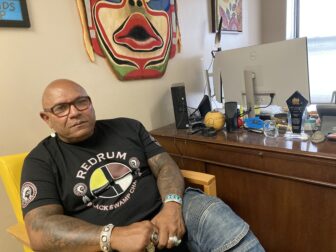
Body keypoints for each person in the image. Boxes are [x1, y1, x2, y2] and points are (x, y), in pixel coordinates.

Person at [20, 79, 264, 252]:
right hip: (107, 243)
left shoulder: (128, 127)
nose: (74, 112)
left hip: (171, 212)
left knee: (216, 215)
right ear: (47, 118)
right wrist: (112, 236)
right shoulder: (40, 160)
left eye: (81, 102)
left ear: (91, 104)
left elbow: (165, 166)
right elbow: (40, 228)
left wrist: (171, 206)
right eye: (61, 108)